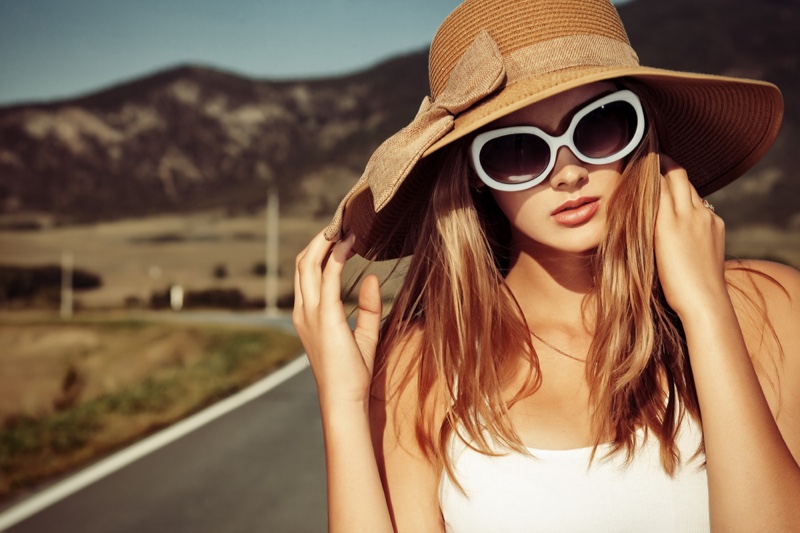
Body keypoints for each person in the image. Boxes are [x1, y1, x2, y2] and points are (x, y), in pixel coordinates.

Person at [293, 0, 800, 531]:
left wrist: (704, 309)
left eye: (600, 125)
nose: (567, 171)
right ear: (473, 176)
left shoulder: (766, 306)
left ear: (642, 128)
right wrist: (344, 407)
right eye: (516, 150)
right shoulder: (428, 359)